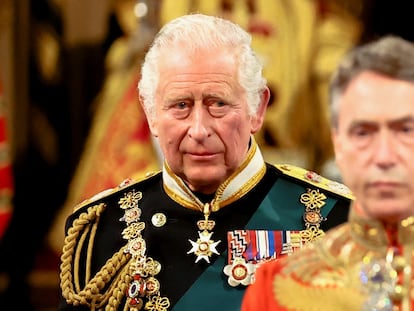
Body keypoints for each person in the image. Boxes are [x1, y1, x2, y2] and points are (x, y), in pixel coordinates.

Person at [58, 13, 352, 310]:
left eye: (218, 104)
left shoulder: (337, 220)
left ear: (257, 109)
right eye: (181, 106)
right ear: (150, 114)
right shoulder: (102, 230)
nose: (199, 130)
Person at [241, 35, 414, 311]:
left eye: (405, 130)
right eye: (363, 133)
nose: (384, 156)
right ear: (338, 145)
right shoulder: (278, 284)